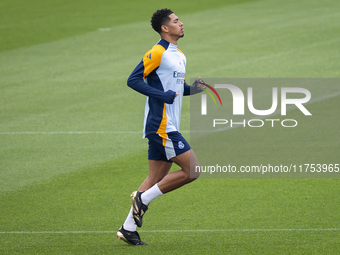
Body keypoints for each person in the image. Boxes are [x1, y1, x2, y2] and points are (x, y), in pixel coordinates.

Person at [116, 8, 205, 245]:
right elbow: (133, 79)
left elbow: (175, 88)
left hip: (168, 124)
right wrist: (160, 95)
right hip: (161, 126)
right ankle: (143, 199)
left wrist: (193, 89)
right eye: (176, 21)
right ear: (165, 28)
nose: (181, 23)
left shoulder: (180, 55)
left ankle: (127, 229)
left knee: (155, 177)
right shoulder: (157, 52)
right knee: (193, 171)